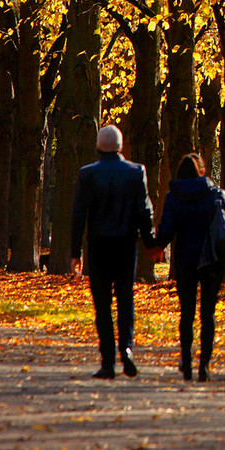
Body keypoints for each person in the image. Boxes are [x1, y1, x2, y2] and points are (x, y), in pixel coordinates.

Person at [70, 125, 158, 379]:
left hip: (98, 245)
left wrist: (75, 251)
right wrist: (151, 242)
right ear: (120, 146)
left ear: (99, 146)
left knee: (103, 304)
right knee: (125, 299)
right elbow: (145, 211)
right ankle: (127, 348)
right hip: (125, 245)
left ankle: (108, 361)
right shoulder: (135, 172)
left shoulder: (87, 174)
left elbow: (78, 216)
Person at [153, 152, 225, 381]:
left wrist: (157, 245)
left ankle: (187, 361)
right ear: (202, 172)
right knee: (208, 312)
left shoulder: (174, 197)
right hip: (212, 259)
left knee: (187, 312)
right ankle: (204, 365)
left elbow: (166, 227)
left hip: (185, 260)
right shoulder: (215, 193)